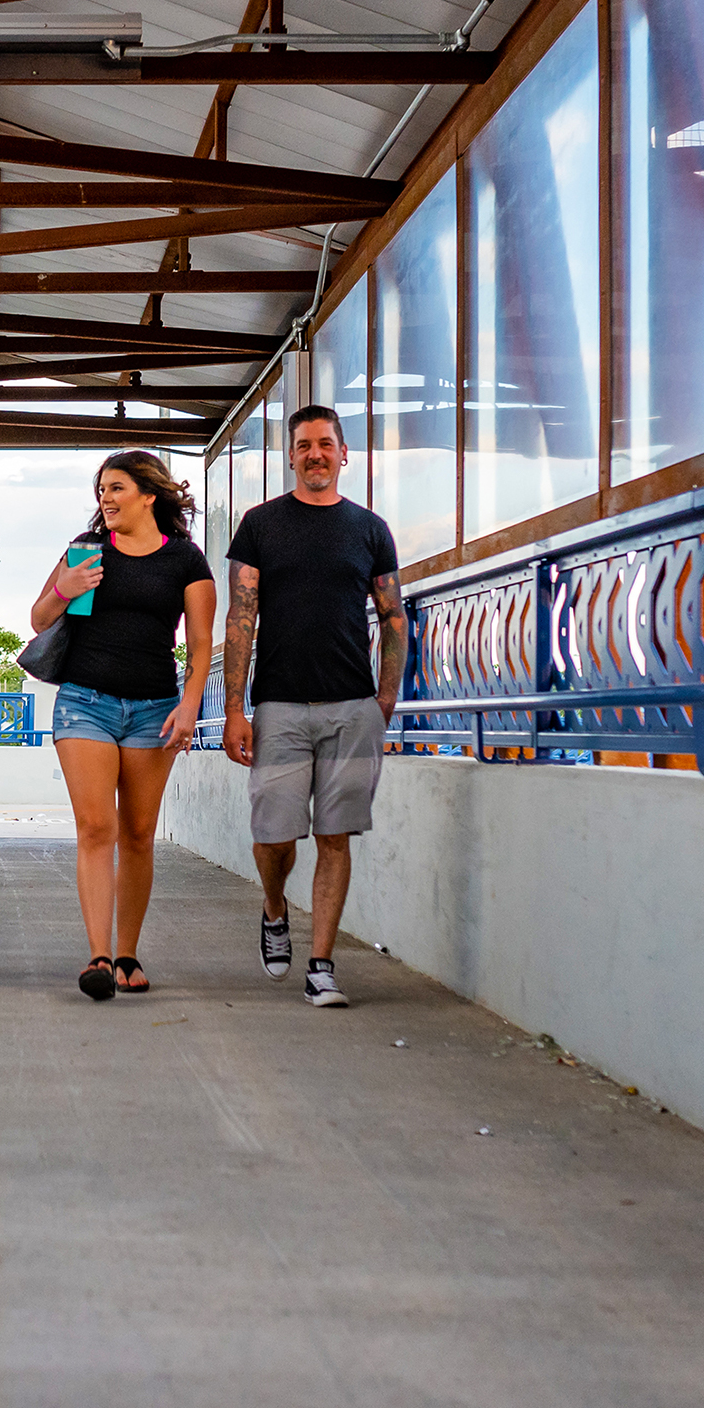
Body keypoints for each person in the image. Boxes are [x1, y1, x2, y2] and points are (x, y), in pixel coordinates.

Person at [222, 405, 401, 1009]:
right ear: (291, 455)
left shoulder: (370, 530)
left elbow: (393, 615)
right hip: (279, 707)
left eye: (326, 444)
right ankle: (274, 908)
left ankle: (321, 965)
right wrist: (234, 708)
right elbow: (240, 618)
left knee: (335, 835)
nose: (316, 454)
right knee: (273, 835)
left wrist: (386, 698)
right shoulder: (261, 525)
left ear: (344, 454)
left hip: (353, 708)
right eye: (304, 445)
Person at [30, 451, 216, 1000]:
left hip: (155, 708)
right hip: (84, 703)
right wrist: (67, 585)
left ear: (148, 494)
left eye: (115, 488)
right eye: (101, 491)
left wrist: (191, 704)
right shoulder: (87, 550)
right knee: (96, 828)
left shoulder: (185, 560)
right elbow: (40, 619)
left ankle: (129, 952)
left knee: (137, 833)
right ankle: (99, 956)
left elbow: (202, 642)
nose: (105, 499)